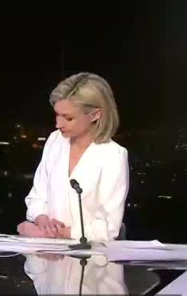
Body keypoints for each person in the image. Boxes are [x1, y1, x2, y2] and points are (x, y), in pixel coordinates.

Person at [18, 72, 129, 242]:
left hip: (89, 255)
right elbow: (37, 197)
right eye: (57, 115)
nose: (58, 124)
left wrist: (58, 233)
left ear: (95, 115)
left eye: (68, 118)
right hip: (47, 251)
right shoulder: (55, 140)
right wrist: (42, 220)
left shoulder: (114, 155)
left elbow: (107, 229)